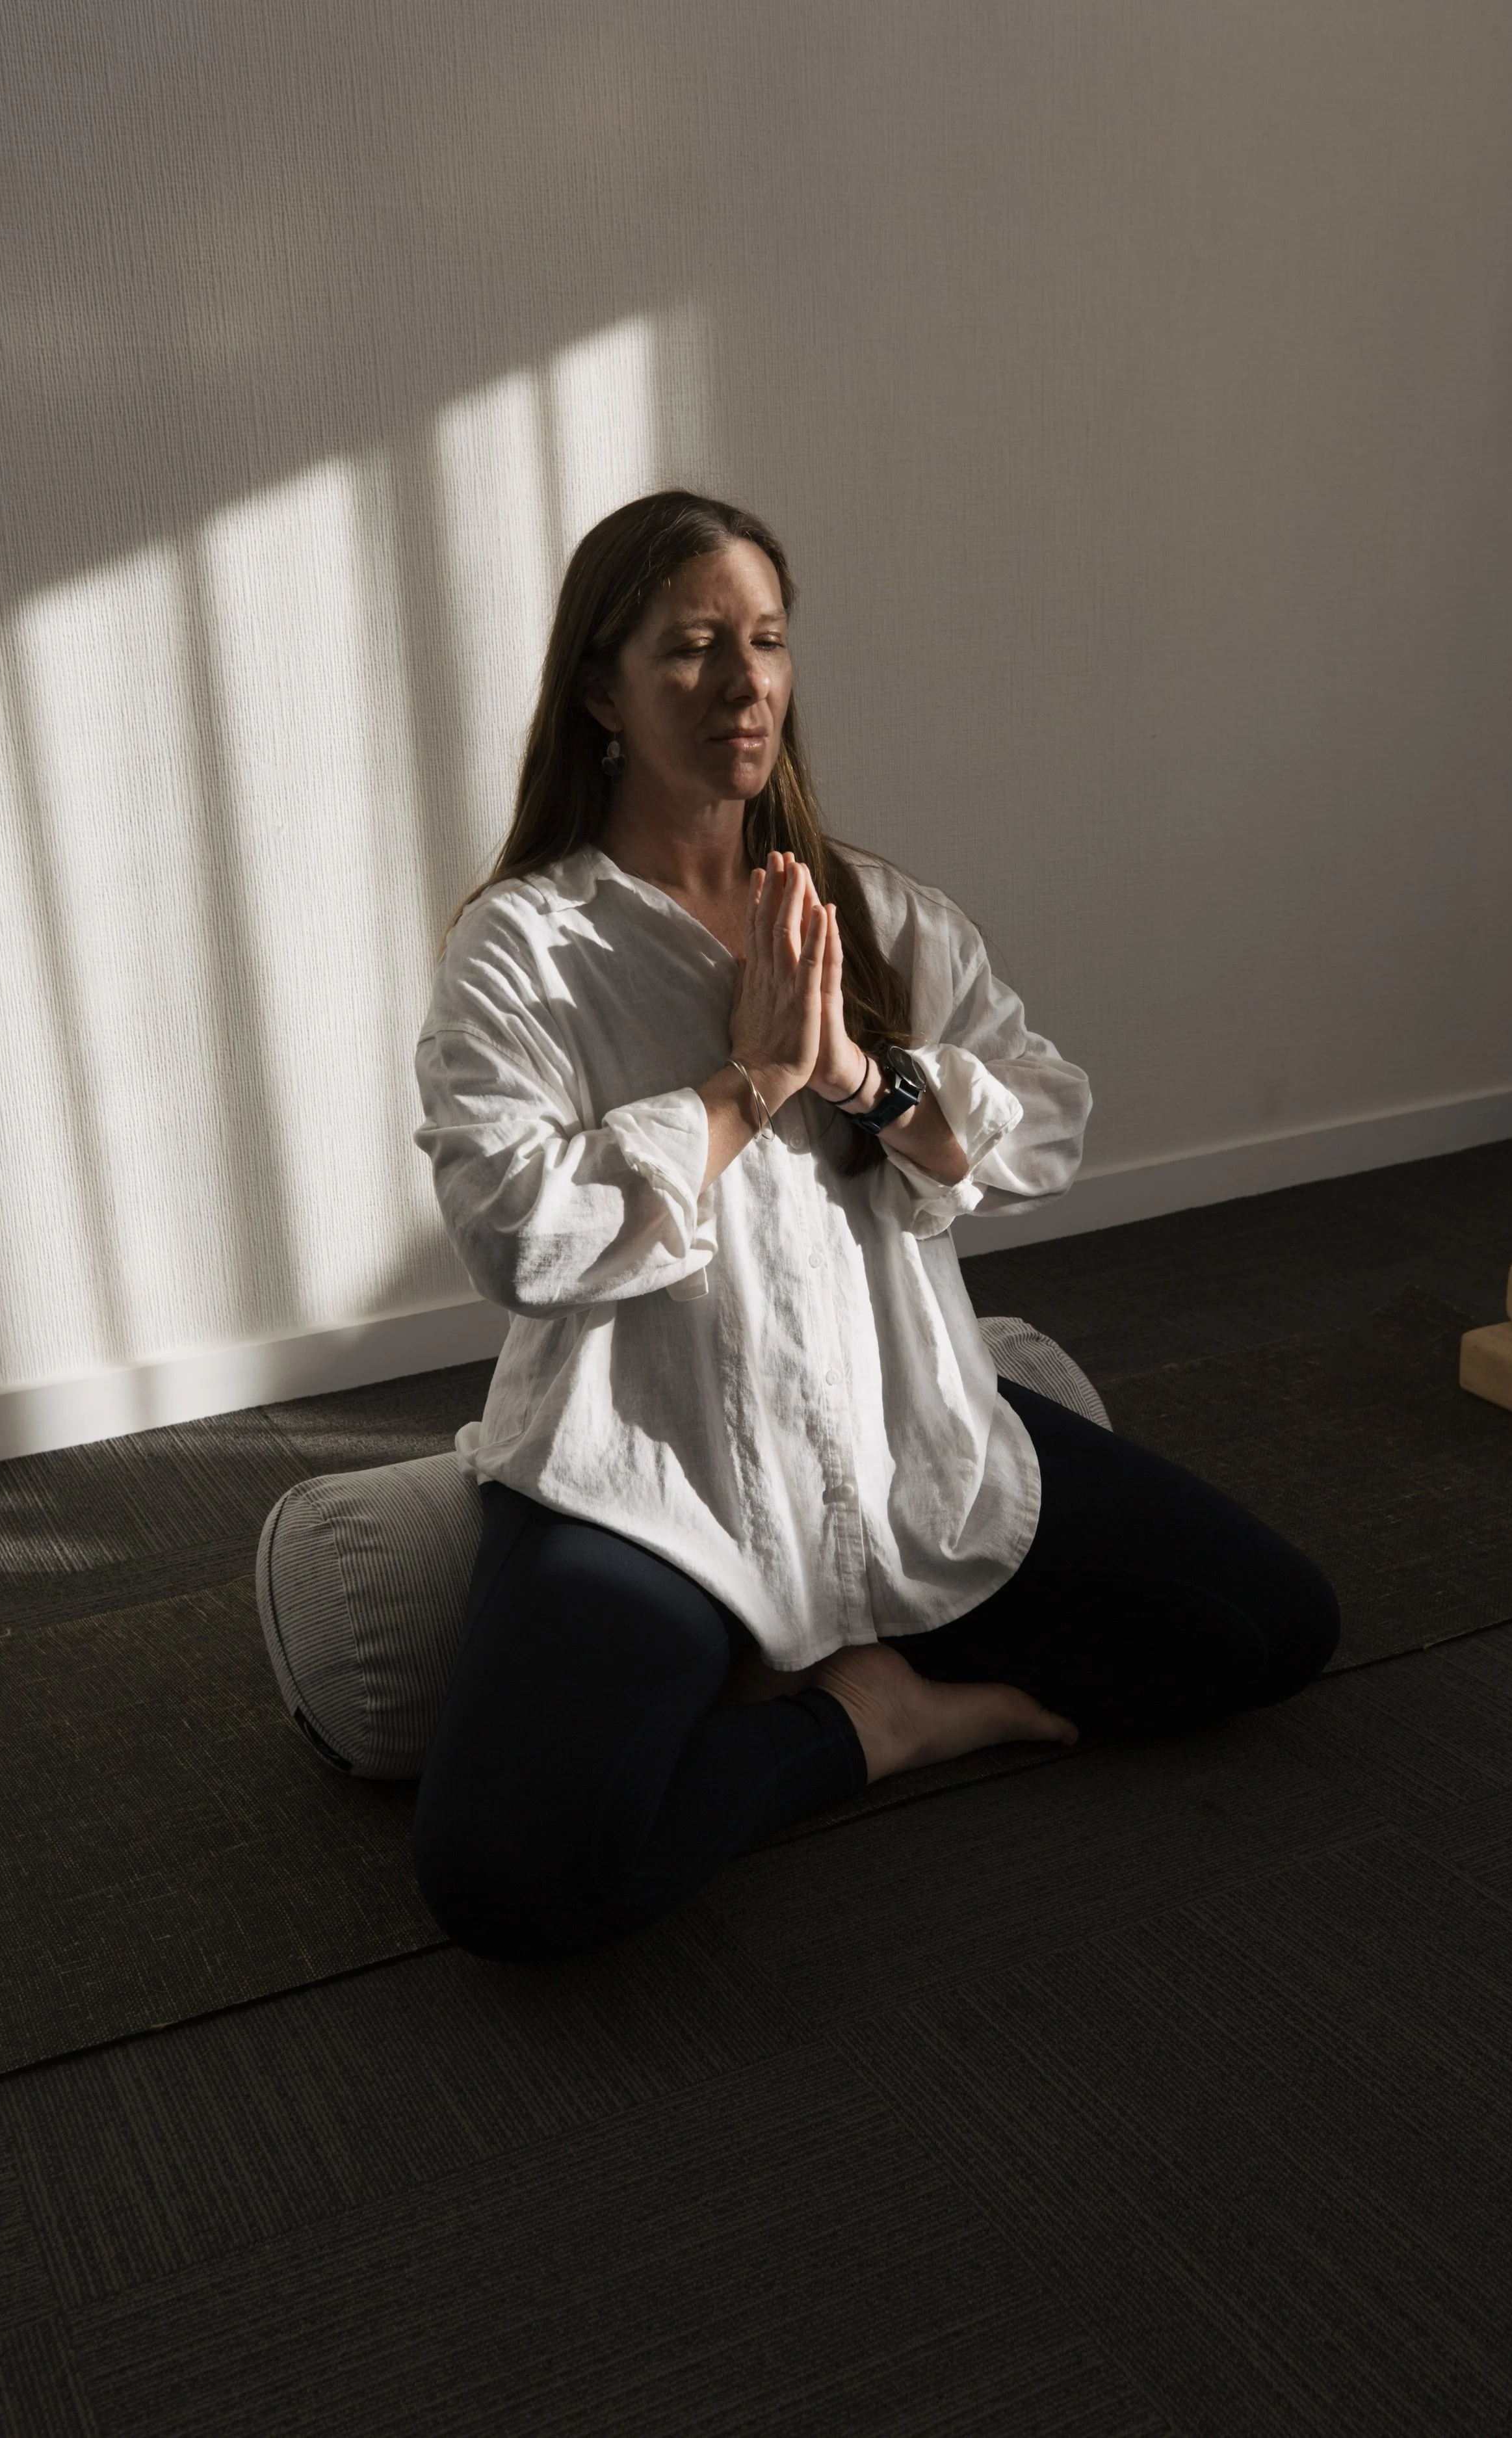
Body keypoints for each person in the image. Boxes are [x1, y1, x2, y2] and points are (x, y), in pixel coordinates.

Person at [410, 490, 1339, 1963]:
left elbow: (1046, 1119)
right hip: (653, 1481)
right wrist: (749, 1084)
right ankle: (867, 1722)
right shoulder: (527, 946)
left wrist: (860, 1073)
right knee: (505, 1877)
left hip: (906, 1443)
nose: (743, 684)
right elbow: (514, 1235)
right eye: (690, 648)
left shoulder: (881, 915)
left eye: (767, 642)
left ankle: (861, 1661)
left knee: (1271, 1629)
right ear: (597, 686)